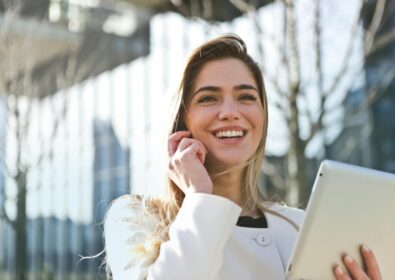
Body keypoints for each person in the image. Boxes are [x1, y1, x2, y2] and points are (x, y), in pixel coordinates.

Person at [104, 34, 382, 280]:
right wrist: (200, 196)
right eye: (208, 98)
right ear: (181, 121)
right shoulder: (135, 219)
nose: (230, 111)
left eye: (246, 97)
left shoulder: (302, 226)